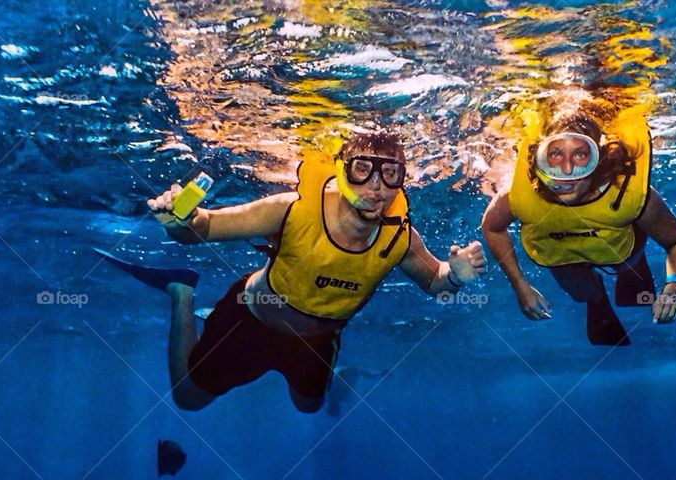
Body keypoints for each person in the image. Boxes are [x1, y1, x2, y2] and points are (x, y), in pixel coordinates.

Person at [96, 128, 486, 413]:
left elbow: (437, 284)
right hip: (250, 321)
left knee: (309, 407)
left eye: (391, 174)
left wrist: (455, 276)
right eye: (363, 169)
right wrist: (180, 219)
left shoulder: (399, 237)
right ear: (341, 169)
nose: (376, 187)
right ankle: (182, 291)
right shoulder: (291, 210)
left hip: (317, 340)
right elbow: (204, 228)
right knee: (188, 398)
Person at [481, 105, 676, 345]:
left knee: (628, 265)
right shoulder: (518, 196)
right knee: (580, 293)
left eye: (581, 155)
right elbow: (492, 227)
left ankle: (631, 268)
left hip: (620, 249)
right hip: (562, 254)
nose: (567, 170)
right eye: (555, 154)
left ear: (598, 159)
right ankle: (597, 297)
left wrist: (675, 286)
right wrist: (520, 286)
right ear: (539, 158)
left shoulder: (627, 194)